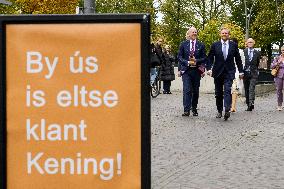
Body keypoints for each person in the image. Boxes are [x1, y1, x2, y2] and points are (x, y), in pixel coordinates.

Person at [206, 27, 244, 120]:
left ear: (229, 35)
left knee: (227, 90)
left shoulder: (233, 45)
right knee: (218, 93)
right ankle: (219, 110)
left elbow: (238, 59)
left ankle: (227, 109)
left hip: (229, 72)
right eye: (223, 33)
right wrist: (209, 68)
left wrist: (241, 71)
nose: (224, 35)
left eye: (226, 33)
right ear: (220, 34)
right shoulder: (215, 45)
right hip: (217, 72)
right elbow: (210, 58)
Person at [178, 27, 206, 116]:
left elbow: (204, 58)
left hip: (196, 71)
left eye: (195, 32)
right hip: (186, 70)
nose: (194, 33)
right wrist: (187, 62)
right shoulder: (183, 44)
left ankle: (194, 108)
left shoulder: (201, 45)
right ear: (189, 34)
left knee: (195, 91)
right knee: (187, 90)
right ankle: (186, 110)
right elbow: (179, 57)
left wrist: (196, 61)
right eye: (193, 32)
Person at [243, 38, 261, 111]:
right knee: (246, 89)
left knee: (251, 88)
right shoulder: (243, 52)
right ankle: (248, 103)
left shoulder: (257, 53)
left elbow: (257, 63)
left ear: (254, 43)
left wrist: (255, 70)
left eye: (251, 42)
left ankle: (251, 103)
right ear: (246, 43)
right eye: (249, 42)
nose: (250, 43)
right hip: (245, 73)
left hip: (253, 73)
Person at [271, 45, 284, 111]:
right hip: (279, 76)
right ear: (281, 51)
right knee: (279, 90)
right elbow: (272, 66)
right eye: (282, 50)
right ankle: (279, 105)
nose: (283, 52)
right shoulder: (277, 58)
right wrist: (278, 62)